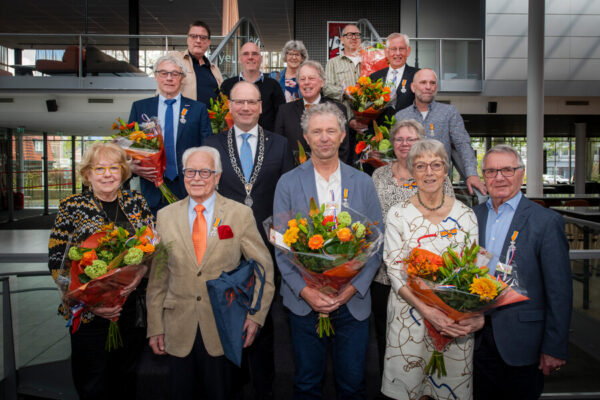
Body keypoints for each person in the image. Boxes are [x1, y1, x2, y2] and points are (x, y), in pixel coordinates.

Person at [145, 146, 275, 400]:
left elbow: (263, 267)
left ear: (217, 177)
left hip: (223, 327)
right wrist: (154, 326)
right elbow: (158, 278)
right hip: (177, 328)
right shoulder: (164, 216)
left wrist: (256, 317)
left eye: (205, 172)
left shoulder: (240, 214)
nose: (196, 178)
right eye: (190, 171)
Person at [274, 102, 383, 398]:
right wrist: (306, 291)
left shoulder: (362, 182)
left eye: (331, 131)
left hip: (352, 302)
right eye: (316, 131)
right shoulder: (287, 183)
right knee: (307, 384)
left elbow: (376, 244)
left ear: (342, 136)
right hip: (304, 302)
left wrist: (351, 289)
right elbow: (281, 247)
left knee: (352, 385)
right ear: (306, 138)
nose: (324, 137)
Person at [205, 80, 292, 399]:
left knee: (264, 323)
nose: (245, 108)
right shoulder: (211, 143)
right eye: (239, 102)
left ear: (260, 106)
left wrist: (283, 245)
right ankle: (233, 386)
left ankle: (264, 388)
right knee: (227, 321)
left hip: (266, 249)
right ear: (229, 105)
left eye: (252, 102)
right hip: (225, 245)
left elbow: (286, 199)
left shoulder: (280, 144)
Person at [48, 142, 154, 400]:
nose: (108, 174)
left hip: (129, 309)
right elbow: (56, 260)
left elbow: (152, 246)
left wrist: (139, 273)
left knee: (127, 379)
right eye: (100, 168)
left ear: (123, 172)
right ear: (87, 174)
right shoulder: (71, 206)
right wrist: (90, 301)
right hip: (88, 315)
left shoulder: (136, 201)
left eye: (114, 167)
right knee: (92, 383)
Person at [383, 139, 483, 400]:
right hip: (410, 318)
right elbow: (394, 272)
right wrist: (429, 311)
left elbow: (470, 272)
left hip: (453, 319)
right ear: (412, 171)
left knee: (447, 390)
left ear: (446, 170)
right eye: (421, 166)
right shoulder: (397, 214)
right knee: (409, 390)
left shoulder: (466, 215)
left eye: (436, 165)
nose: (429, 172)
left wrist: (449, 313)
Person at [473, 145, 572, 400]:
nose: (499, 177)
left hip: (524, 343)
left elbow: (559, 291)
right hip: (477, 339)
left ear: (521, 173)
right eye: (492, 171)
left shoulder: (545, 221)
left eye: (508, 169)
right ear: (483, 176)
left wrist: (554, 347)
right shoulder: (473, 217)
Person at [371, 119, 454, 390]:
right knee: (390, 340)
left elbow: (448, 223)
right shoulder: (379, 176)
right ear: (391, 144)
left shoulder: (436, 176)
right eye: (399, 139)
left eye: (411, 139)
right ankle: (394, 390)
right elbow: (372, 223)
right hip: (384, 277)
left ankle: (426, 390)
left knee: (426, 338)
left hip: (427, 277)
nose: (405, 144)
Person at [128, 54, 212, 214]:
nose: (169, 78)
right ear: (156, 76)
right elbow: (130, 147)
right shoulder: (140, 108)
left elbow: (206, 149)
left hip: (189, 189)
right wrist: (132, 167)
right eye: (164, 73)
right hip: (151, 190)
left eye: (175, 74)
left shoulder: (198, 109)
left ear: (182, 78)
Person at [394, 68, 486, 195]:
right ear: (413, 87)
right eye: (423, 82)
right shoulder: (400, 116)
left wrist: (472, 174)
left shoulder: (449, 112)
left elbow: (463, 144)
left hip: (440, 186)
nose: (428, 87)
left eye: (432, 83)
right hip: (408, 187)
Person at [274, 60, 351, 164]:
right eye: (302, 79)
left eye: (311, 78)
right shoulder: (284, 111)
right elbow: (279, 147)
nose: (306, 82)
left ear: (322, 82)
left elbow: (344, 149)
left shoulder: (338, 110)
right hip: (294, 175)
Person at [220, 42, 285, 132]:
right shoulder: (227, 85)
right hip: (233, 141)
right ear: (240, 59)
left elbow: (281, 117)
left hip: (266, 142)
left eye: (254, 54)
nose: (250, 57)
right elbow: (220, 117)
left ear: (261, 59)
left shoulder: (273, 85)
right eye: (246, 54)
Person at [323, 23, 366, 133]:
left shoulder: (369, 60)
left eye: (357, 35)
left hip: (369, 120)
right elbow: (326, 88)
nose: (353, 37)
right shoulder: (332, 63)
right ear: (342, 39)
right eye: (349, 35)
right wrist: (346, 92)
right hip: (344, 121)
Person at [171, 20, 224, 106]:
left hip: (211, 119)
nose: (198, 40)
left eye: (203, 37)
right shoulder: (175, 60)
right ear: (187, 39)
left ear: (208, 42)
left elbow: (222, 96)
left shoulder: (214, 69)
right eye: (194, 36)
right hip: (185, 118)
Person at [369, 33, 418, 122]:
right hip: (379, 133)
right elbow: (366, 106)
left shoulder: (418, 75)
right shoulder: (374, 77)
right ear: (386, 52)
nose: (398, 53)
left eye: (401, 49)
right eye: (393, 49)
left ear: (408, 51)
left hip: (407, 131)